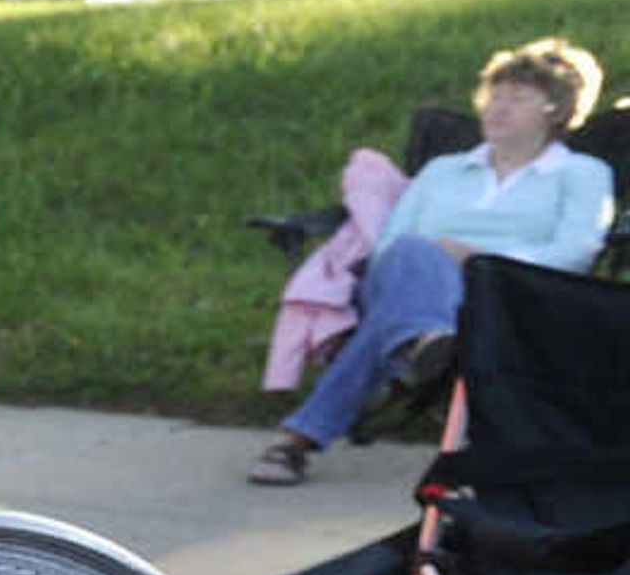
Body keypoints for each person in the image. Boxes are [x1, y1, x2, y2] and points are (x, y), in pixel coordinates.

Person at [251, 37, 614, 483]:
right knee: (410, 255)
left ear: (557, 110)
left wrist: (478, 258)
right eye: (494, 96)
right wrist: (440, 264)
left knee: (392, 317)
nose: (497, 108)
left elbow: (574, 253)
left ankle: (300, 440)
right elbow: (390, 244)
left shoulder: (583, 176)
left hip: (508, 296)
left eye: (517, 99)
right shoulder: (443, 170)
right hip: (410, 278)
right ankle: (428, 341)